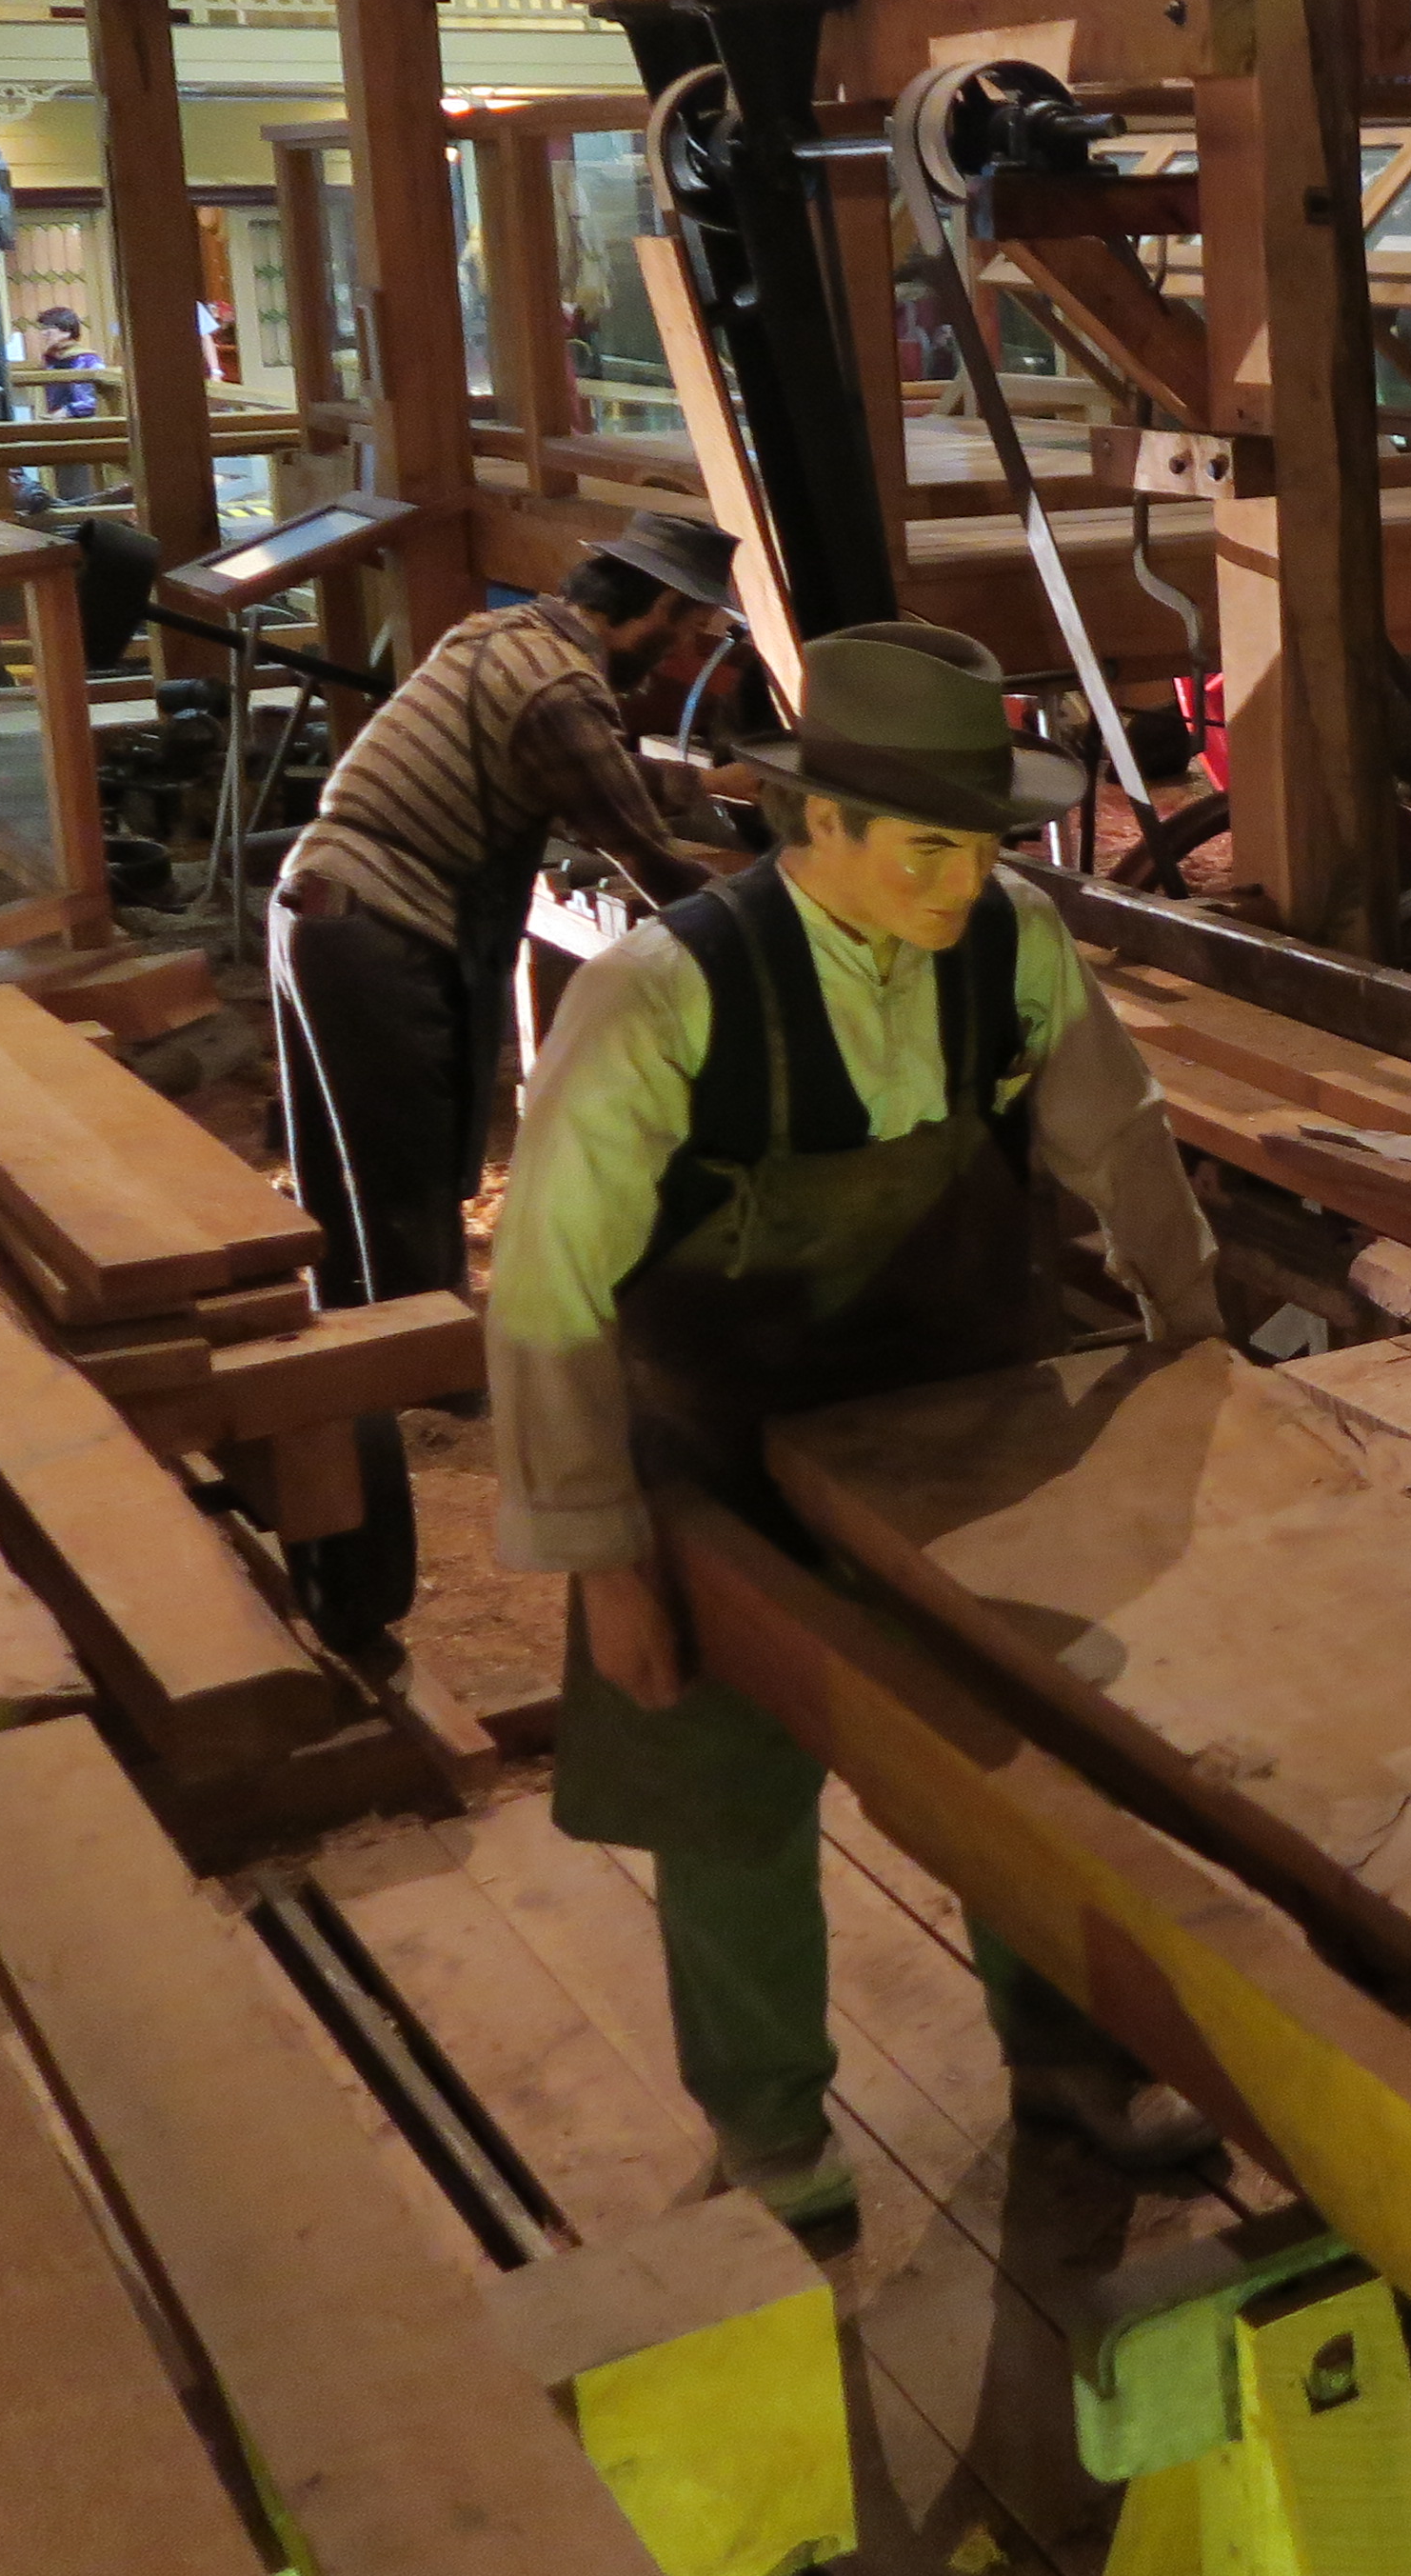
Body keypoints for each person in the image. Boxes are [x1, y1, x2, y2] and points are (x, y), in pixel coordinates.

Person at [482, 621, 1234, 2226]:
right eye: (924, 848)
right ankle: (771, 2142)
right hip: (716, 1454)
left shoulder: (1009, 941)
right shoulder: (663, 997)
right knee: (728, 1803)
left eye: (980, 844)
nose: (960, 882)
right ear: (808, 819)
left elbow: (1122, 1138)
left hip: (964, 1432)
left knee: (1027, 1763)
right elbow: (546, 1292)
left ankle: (1071, 2060)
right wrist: (603, 1549)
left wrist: (1192, 1336)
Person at [268, 509, 748, 1655]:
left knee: (347, 1177)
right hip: (379, 928)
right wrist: (769, 912)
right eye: (694, 637)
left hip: (320, 906)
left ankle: (365, 1369)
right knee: (411, 1171)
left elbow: (607, 777)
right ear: (659, 613)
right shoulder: (559, 693)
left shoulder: (502, 639)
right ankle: (432, 1397)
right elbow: (643, 853)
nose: (691, 662)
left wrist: (723, 783)